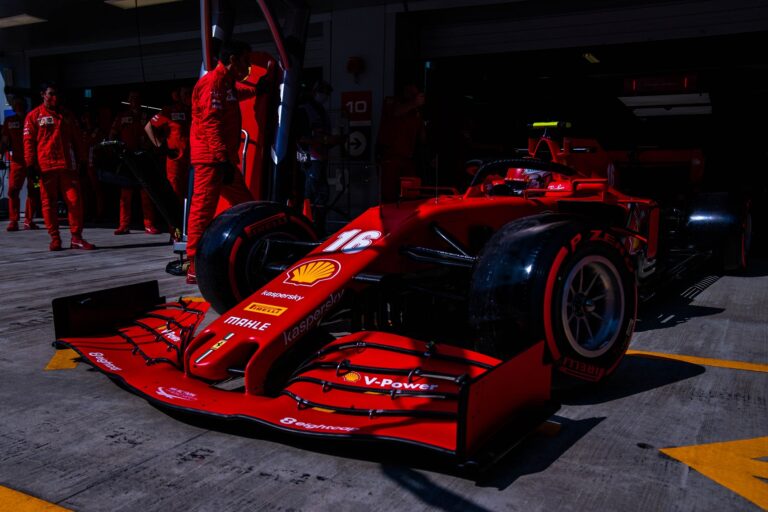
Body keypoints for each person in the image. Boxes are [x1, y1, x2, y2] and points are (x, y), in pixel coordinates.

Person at [186, 40, 262, 284]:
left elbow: (235, 95)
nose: (248, 66)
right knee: (202, 210)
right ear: (232, 59)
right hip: (211, 160)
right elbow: (211, 123)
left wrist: (257, 91)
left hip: (221, 159)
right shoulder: (213, 83)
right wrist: (221, 160)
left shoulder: (225, 83)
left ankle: (255, 248)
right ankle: (193, 265)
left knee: (247, 204)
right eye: (245, 61)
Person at [23, 83, 94, 251]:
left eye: (57, 94)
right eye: (51, 94)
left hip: (68, 167)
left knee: (75, 202)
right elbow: (28, 143)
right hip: (45, 168)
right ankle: (55, 238)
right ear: (43, 95)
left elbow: (78, 139)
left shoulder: (67, 115)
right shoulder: (33, 116)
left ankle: (76, 238)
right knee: (48, 204)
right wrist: (30, 166)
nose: (54, 97)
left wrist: (83, 161)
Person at [110, 90, 161, 235]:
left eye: (137, 98)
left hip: (143, 157)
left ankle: (149, 224)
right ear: (128, 100)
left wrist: (150, 147)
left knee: (146, 193)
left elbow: (155, 135)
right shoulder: (122, 116)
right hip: (127, 158)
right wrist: (117, 149)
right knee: (125, 194)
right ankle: (124, 225)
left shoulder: (147, 116)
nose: (134, 101)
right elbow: (112, 134)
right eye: (131, 98)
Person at [296, 79, 340, 234]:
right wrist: (324, 140)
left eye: (328, 93)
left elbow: (324, 136)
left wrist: (334, 140)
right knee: (312, 196)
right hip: (309, 159)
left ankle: (318, 230)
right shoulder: (304, 110)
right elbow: (299, 137)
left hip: (321, 158)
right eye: (324, 92)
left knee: (322, 195)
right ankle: (309, 230)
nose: (326, 96)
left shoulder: (321, 110)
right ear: (315, 92)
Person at [376, 83, 427, 202]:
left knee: (411, 193)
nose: (414, 93)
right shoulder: (391, 101)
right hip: (390, 155)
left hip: (407, 157)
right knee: (388, 194)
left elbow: (422, 137)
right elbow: (396, 112)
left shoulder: (416, 111)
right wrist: (415, 103)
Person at [145, 86, 192, 202]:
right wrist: (160, 146)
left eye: (189, 93)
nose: (188, 96)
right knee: (175, 193)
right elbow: (148, 127)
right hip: (176, 159)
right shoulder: (169, 111)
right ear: (178, 96)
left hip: (193, 160)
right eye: (185, 93)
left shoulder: (195, 110)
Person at [2, 96, 40, 231]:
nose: (18, 106)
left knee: (34, 189)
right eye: (16, 104)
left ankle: (29, 220)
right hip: (17, 162)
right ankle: (13, 220)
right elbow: (5, 142)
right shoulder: (9, 121)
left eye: (21, 103)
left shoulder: (32, 118)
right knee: (12, 190)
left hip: (33, 162)